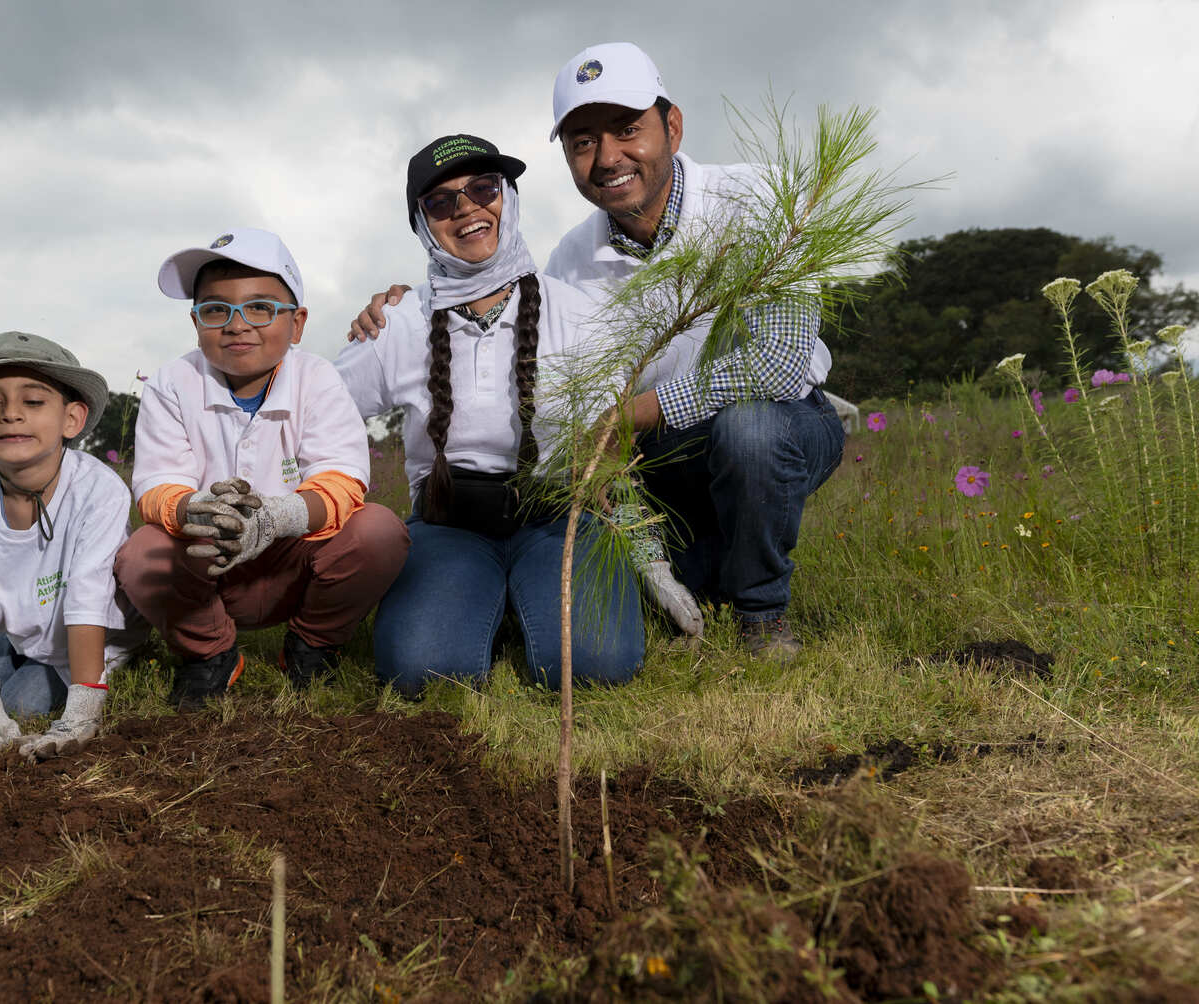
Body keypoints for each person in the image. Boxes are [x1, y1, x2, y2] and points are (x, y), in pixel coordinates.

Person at [351, 44, 844, 660]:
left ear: (674, 126)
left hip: (775, 423)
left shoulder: (758, 201)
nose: (608, 158)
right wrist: (415, 298)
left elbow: (780, 362)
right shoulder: (571, 263)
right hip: (654, 458)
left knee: (749, 434)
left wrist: (633, 413)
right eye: (583, 142)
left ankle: (761, 614)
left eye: (628, 129)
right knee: (646, 607)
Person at [333, 134, 645, 699]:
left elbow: (619, 428)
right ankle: (479, 599)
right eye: (441, 202)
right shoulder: (398, 324)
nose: (468, 209)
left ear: (509, 196)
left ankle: (523, 598)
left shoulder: (579, 311)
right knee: (421, 673)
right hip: (448, 524)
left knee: (598, 665)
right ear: (423, 224)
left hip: (559, 522)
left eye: (484, 188)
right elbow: (322, 415)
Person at [114, 228, 409, 708]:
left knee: (378, 530)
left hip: (296, 560)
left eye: (260, 308)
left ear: (297, 324)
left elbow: (342, 480)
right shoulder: (173, 382)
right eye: (215, 309)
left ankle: (313, 644)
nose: (236, 324)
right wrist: (198, 509)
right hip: (208, 560)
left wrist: (273, 517)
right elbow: (156, 487)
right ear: (195, 322)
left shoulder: (317, 378)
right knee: (142, 552)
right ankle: (210, 653)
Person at [0, 332, 140, 765]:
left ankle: (110, 667)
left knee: (24, 705)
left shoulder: (98, 489)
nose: (11, 415)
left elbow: (87, 598)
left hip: (87, 634)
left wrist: (82, 713)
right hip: (18, 632)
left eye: (34, 402)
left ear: (72, 419)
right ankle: (4, 685)